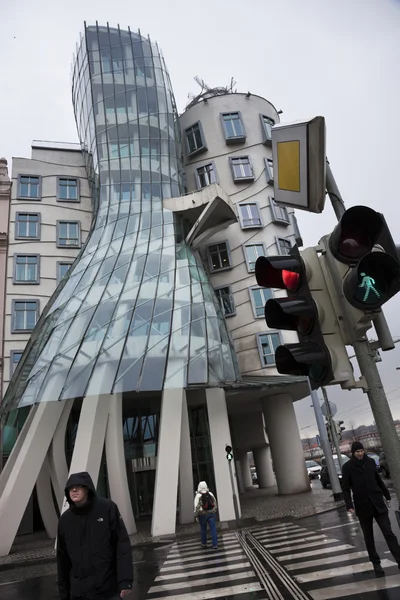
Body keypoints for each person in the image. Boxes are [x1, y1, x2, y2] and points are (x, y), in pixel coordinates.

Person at [57, 471, 133, 599]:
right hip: (80, 593)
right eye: (70, 488)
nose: (74, 490)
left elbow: (122, 545)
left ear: (87, 489)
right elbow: (62, 559)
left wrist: (125, 581)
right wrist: (64, 594)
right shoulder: (65, 520)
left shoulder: (107, 508)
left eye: (78, 486)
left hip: (108, 589)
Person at [342, 441, 400, 576]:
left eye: (362, 451)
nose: (360, 454)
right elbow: (345, 488)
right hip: (363, 507)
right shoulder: (348, 467)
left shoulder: (370, 462)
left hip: (378, 503)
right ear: (353, 453)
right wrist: (349, 505)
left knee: (389, 533)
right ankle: (376, 564)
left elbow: (378, 480)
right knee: (369, 538)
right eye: (357, 452)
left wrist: (387, 495)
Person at [194, 481, 218, 549]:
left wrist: (196, 516)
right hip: (211, 513)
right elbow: (215, 503)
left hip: (202, 515)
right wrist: (214, 511)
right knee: (213, 528)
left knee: (203, 529)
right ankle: (215, 544)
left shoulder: (198, 496)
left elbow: (196, 507)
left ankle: (204, 543)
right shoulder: (210, 494)